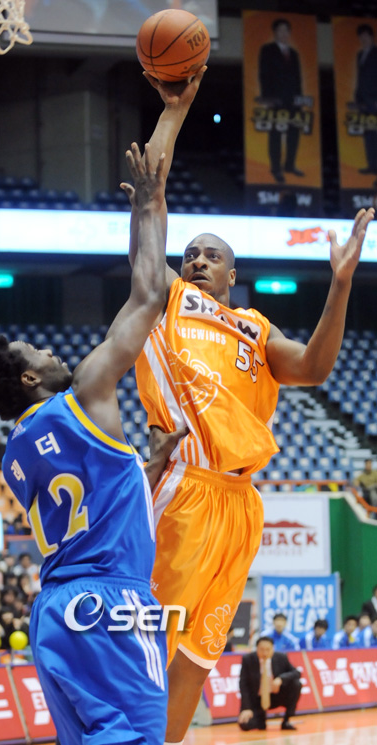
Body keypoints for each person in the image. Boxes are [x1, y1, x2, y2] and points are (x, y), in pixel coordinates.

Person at [126, 68, 374, 745]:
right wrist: (173, 113)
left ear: (233, 274)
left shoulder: (256, 329)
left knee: (197, 657)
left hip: (243, 504)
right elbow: (150, 203)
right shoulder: (167, 300)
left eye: (212, 256)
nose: (197, 259)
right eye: (190, 254)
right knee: (151, 641)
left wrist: (340, 284)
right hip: (184, 486)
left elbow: (315, 369)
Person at [0, 143, 184, 745]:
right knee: (138, 737)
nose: (51, 350)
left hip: (56, 614)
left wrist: (145, 468)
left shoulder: (15, 455)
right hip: (110, 602)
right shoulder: (85, 393)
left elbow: (91, 500)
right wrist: (150, 205)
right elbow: (149, 296)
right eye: (38, 352)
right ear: (29, 379)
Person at [258, 18, 304, 182]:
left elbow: (298, 79)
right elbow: (264, 75)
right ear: (275, 32)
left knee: (293, 133)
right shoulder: (267, 50)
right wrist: (268, 98)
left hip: (293, 100)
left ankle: (290, 165)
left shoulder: (294, 54)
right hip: (276, 99)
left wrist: (299, 99)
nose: (284, 34)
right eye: (281, 30)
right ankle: (276, 168)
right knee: (276, 134)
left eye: (286, 31)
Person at [238, 636, 302, 731]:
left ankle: (287, 720)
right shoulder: (248, 659)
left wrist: (281, 679)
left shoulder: (281, 657)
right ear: (257, 649)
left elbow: (297, 673)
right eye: (262, 649)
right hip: (257, 700)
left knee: (296, 684)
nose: (265, 653)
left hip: (276, 697)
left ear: (273, 649)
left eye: (268, 649)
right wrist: (246, 708)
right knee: (245, 724)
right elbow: (243, 684)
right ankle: (260, 720)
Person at [354, 24, 377, 184]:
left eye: (366, 36)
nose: (363, 39)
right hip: (363, 101)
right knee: (368, 134)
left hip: (375, 100)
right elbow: (360, 78)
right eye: (361, 36)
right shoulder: (360, 54)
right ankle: (372, 165)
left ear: (371, 36)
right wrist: (358, 98)